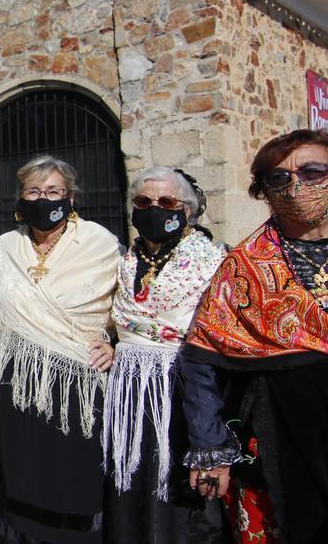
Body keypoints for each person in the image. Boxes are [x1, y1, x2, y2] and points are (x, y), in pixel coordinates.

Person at [180, 129, 328, 542]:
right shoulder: (244, 267)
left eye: (312, 172)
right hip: (285, 435)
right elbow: (201, 356)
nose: (295, 186)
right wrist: (211, 451)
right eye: (278, 178)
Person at [0, 155, 121, 544]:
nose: (43, 198)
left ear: (70, 197)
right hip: (15, 380)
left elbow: (129, 309)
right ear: (21, 197)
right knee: (18, 482)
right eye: (34, 191)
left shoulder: (100, 244)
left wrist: (114, 344)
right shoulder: (5, 247)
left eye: (53, 191)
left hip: (77, 385)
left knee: (71, 480)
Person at [103, 167, 226, 542]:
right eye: (143, 202)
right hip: (127, 395)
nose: (154, 208)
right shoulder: (125, 262)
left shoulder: (213, 261)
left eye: (167, 202)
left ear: (186, 210)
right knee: (130, 489)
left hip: (182, 392)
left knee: (177, 497)